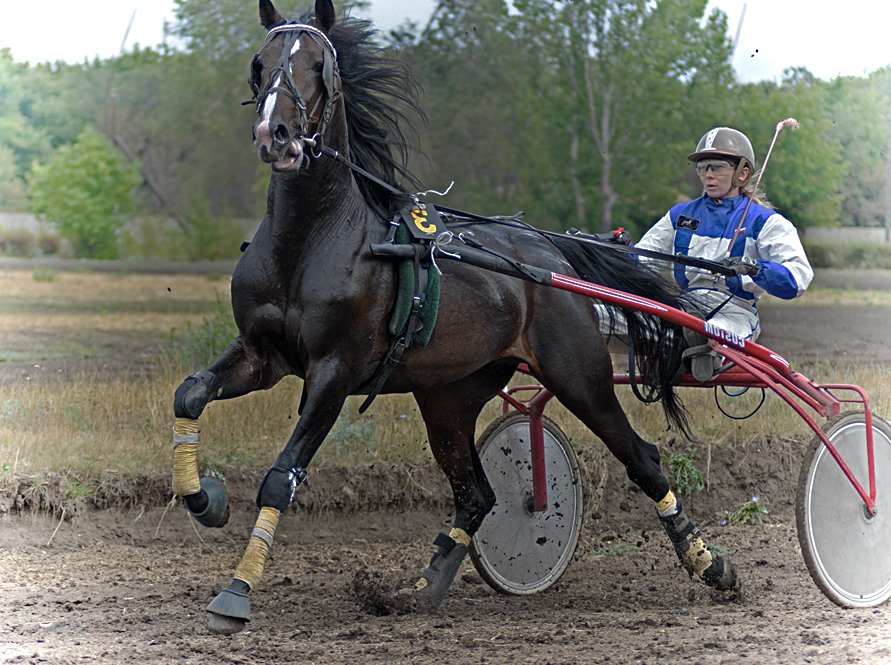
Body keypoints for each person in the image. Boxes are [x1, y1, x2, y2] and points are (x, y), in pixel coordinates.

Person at [600, 126, 814, 381]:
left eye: (717, 167)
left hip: (735, 312)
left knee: (710, 334)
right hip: (682, 311)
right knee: (592, 316)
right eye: (703, 167)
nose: (708, 175)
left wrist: (755, 268)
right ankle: (681, 349)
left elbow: (797, 278)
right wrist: (608, 253)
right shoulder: (680, 215)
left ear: (743, 173)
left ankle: (689, 352)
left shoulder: (766, 222)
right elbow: (642, 262)